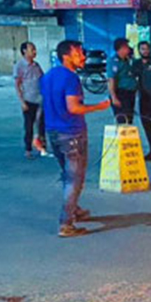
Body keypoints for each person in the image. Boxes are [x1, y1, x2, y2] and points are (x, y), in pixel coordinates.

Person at [40, 40, 110, 238]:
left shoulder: (48, 76)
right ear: (66, 56)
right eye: (79, 53)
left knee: (68, 174)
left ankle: (75, 209)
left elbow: (41, 106)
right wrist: (100, 107)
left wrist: (39, 135)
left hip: (53, 133)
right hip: (71, 133)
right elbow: (74, 108)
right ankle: (66, 223)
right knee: (74, 180)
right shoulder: (71, 78)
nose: (83, 57)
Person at [14, 41, 46, 159]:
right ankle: (28, 149)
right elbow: (17, 85)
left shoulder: (36, 66)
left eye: (34, 49)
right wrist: (22, 102)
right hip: (28, 100)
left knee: (41, 125)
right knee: (29, 126)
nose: (34, 52)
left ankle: (42, 147)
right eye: (32, 49)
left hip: (40, 99)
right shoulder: (20, 66)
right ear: (24, 51)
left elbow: (43, 80)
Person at [107, 38, 137, 124]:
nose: (129, 49)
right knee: (123, 120)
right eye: (127, 47)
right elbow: (111, 80)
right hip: (121, 93)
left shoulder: (127, 60)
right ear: (121, 48)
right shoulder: (114, 61)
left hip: (130, 93)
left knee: (129, 119)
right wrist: (114, 97)